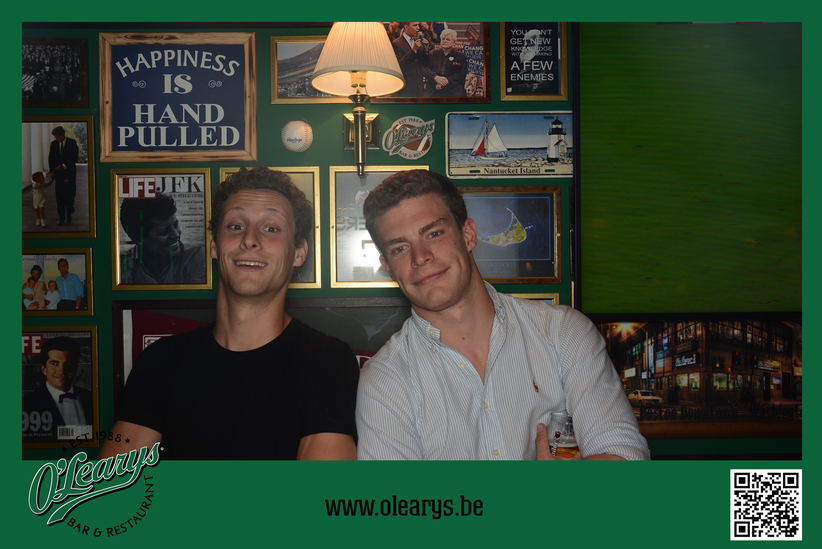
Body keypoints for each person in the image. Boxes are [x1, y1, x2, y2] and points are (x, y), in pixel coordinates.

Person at [356, 170, 650, 460]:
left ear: (468, 235)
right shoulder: (385, 379)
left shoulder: (562, 331)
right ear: (388, 267)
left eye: (433, 234)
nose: (420, 257)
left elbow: (626, 456)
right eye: (400, 248)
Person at [99, 167, 360, 460]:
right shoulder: (160, 362)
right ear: (214, 245)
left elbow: (321, 489)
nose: (250, 239)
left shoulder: (327, 362)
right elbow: (114, 484)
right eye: (236, 226)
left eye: (271, 229)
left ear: (299, 252)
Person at [119, 192, 206, 284]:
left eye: (175, 225)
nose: (176, 234)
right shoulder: (120, 266)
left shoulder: (196, 257)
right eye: (164, 231)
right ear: (137, 239)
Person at [23, 336, 93, 440]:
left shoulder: (92, 399)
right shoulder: (26, 404)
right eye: (54, 363)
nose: (62, 370)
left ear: (76, 368)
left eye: (68, 364)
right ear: (44, 369)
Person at [391, 22, 433, 97]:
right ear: (406, 27)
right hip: (405, 89)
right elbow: (400, 64)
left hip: (419, 88)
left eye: (418, 25)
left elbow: (425, 64)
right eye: (415, 25)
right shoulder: (396, 43)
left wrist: (426, 50)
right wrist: (413, 50)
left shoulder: (418, 40)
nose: (418, 28)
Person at [47, 126, 78, 226]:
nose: (57, 139)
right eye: (55, 137)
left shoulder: (72, 143)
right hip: (59, 175)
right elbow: (51, 158)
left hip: (69, 173)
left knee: (70, 194)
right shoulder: (54, 144)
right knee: (59, 196)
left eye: (58, 137)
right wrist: (52, 172)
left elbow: (74, 157)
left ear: (63, 134)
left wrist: (64, 166)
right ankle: (61, 218)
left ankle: (69, 214)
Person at [424, 28, 467, 97]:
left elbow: (462, 74)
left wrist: (446, 81)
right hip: (433, 88)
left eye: (448, 39)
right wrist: (435, 77)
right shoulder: (432, 54)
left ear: (454, 42)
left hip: (453, 90)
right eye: (443, 39)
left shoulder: (461, 57)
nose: (445, 41)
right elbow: (425, 69)